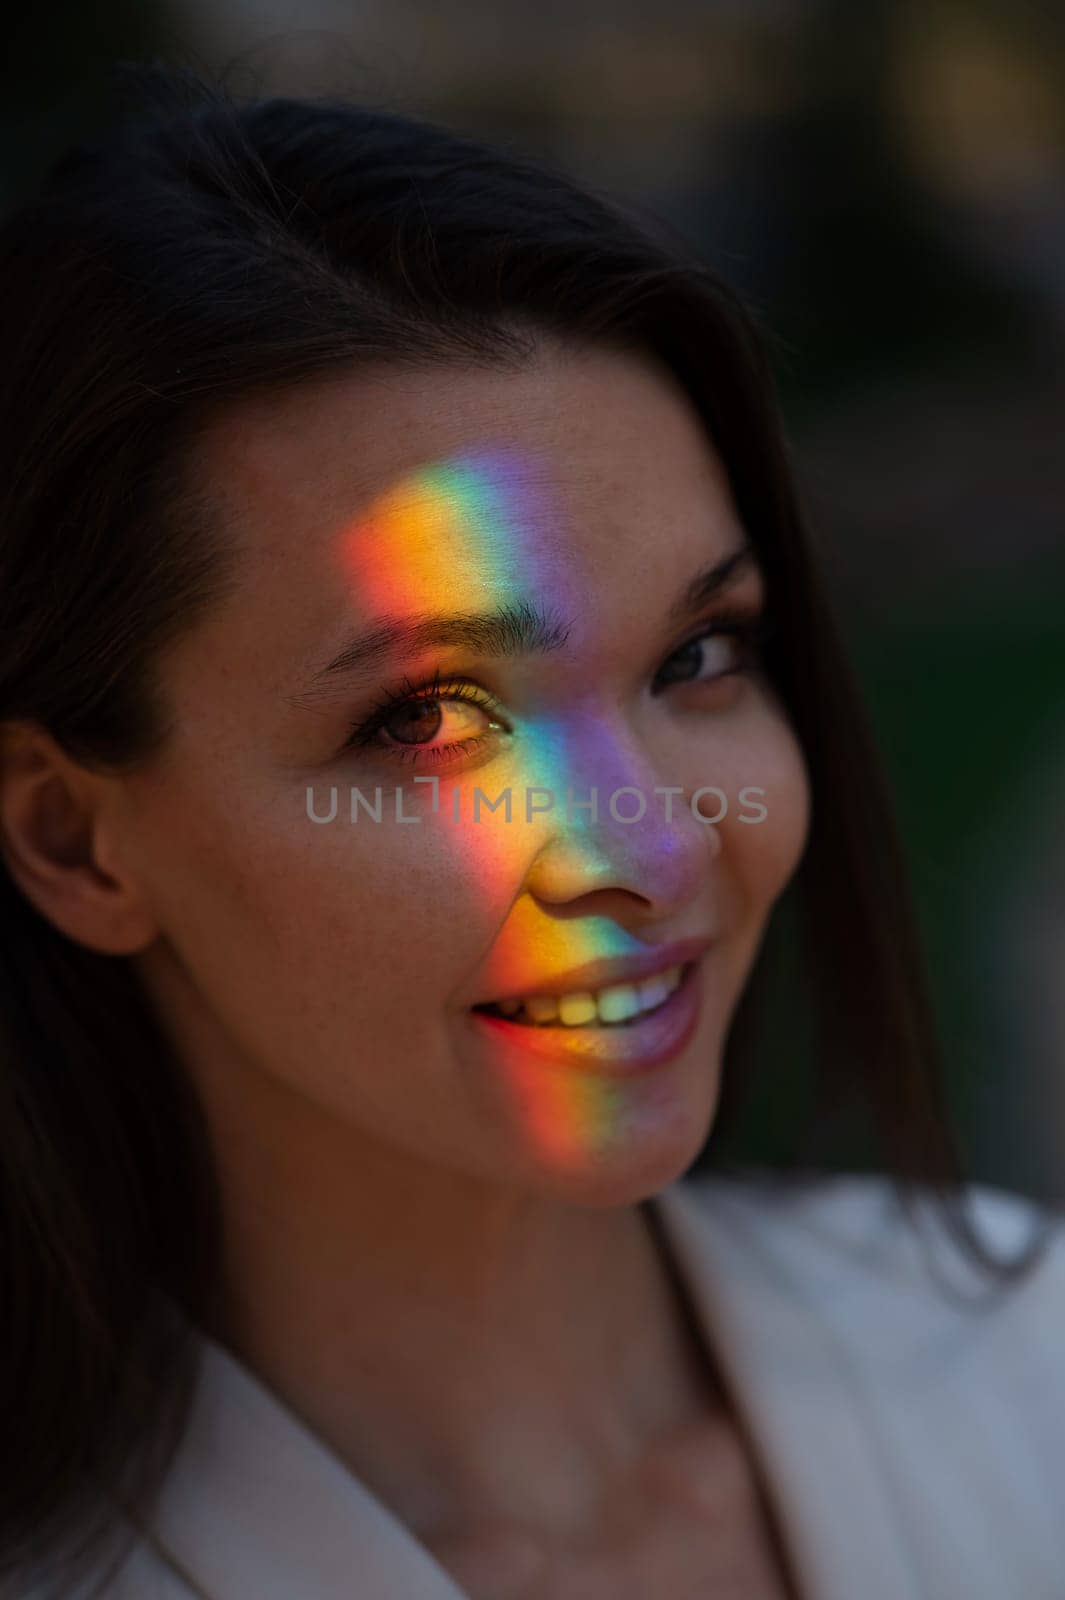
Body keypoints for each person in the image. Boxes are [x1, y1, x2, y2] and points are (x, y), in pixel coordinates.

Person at [1, 63, 1062, 1600]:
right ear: (73, 841)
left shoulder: (1028, 1373)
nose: (648, 847)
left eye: (697, 657)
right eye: (429, 720)